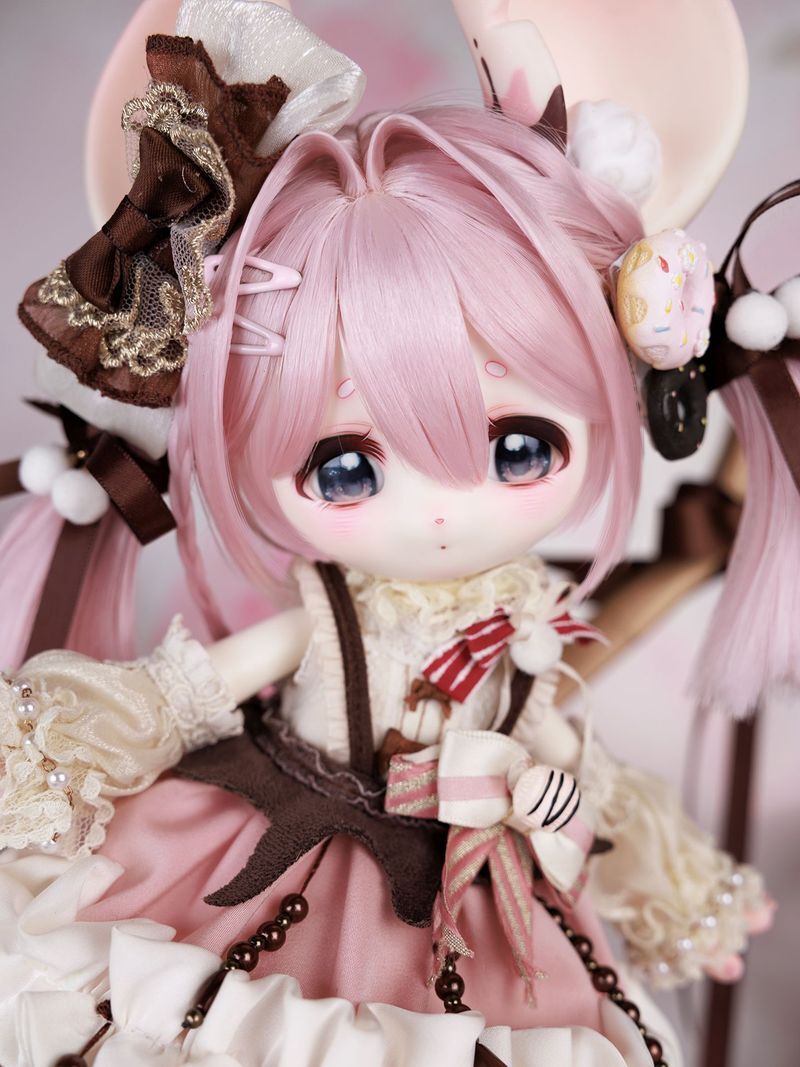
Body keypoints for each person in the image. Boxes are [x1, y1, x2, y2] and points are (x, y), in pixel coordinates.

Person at [0, 2, 789, 1064]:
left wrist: (579, 808)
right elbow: (190, 691)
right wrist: (53, 746)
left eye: (519, 446)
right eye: (346, 467)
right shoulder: (331, 610)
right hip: (286, 844)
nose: (441, 509)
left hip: (481, 886)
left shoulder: (526, 620)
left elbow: (571, 754)